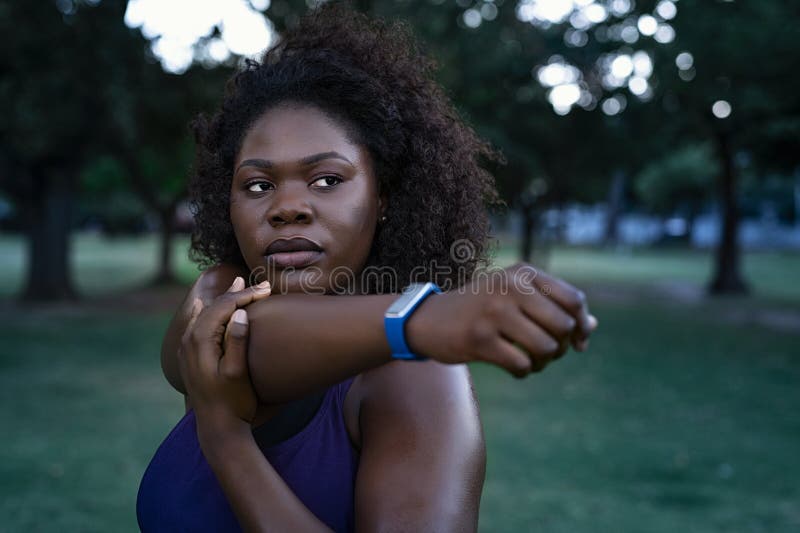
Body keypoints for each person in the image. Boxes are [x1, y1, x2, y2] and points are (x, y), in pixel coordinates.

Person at [136, 2, 598, 531]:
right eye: (258, 185)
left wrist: (227, 441)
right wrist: (424, 320)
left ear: (382, 197)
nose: (287, 206)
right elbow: (237, 340)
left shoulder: (418, 379)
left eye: (327, 179)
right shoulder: (218, 292)